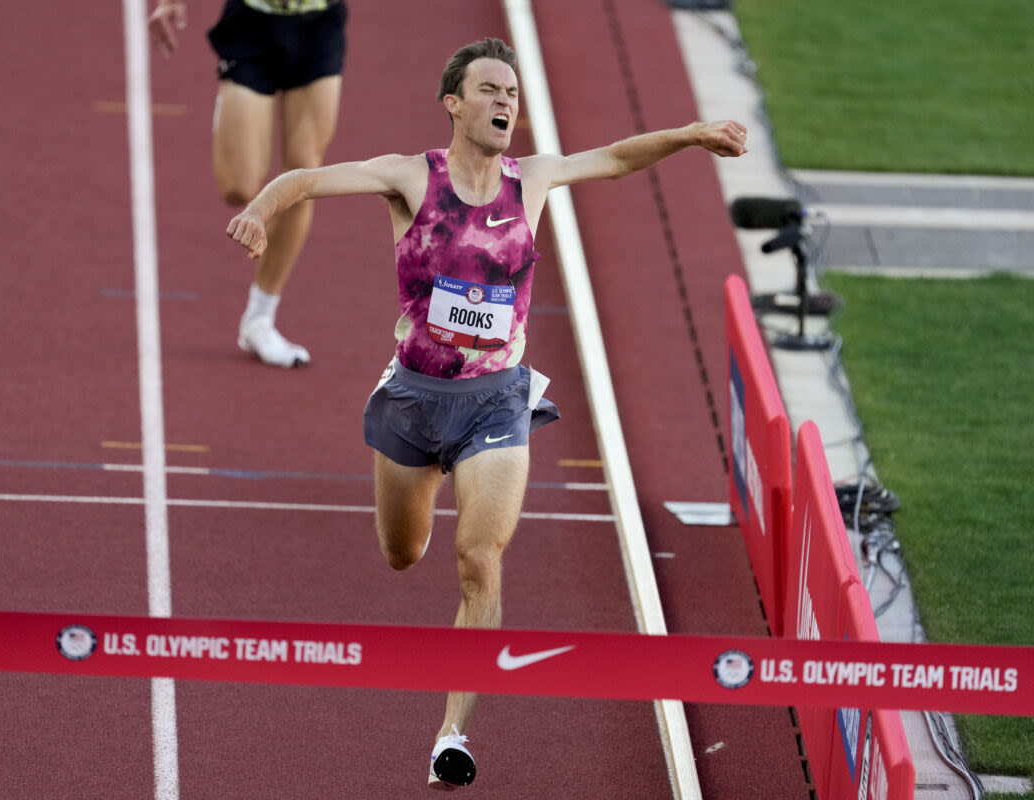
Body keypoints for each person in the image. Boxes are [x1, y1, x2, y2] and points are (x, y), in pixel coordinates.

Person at [226, 37, 748, 789]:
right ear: (454, 103)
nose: (508, 102)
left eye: (513, 93)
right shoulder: (411, 178)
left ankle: (453, 735)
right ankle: (423, 496)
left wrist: (690, 135)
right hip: (413, 395)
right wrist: (259, 210)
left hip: (496, 399)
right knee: (403, 554)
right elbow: (305, 177)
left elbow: (616, 157)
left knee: (479, 558)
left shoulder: (528, 181)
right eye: (492, 90)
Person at [148, 0, 348, 367]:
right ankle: (230, 105)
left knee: (303, 175)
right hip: (253, 20)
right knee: (239, 187)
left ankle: (259, 317)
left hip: (319, 22)